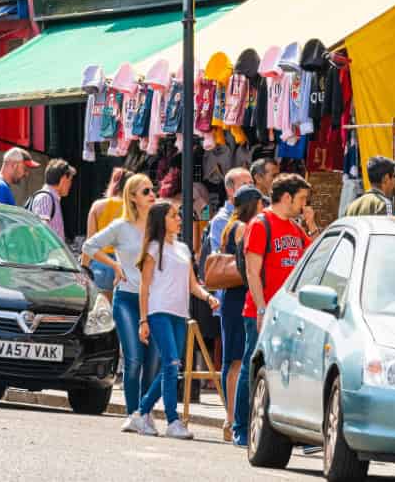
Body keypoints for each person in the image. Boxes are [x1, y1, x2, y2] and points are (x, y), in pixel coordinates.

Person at [134, 200, 219, 439]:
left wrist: (207, 297)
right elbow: (144, 286)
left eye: (178, 216)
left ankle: (142, 412)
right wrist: (143, 320)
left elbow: (192, 284)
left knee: (172, 366)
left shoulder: (183, 249)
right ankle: (172, 420)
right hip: (158, 311)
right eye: (174, 216)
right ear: (162, 220)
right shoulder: (152, 248)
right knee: (171, 363)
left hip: (180, 313)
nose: (179, 219)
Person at [237, 174, 312, 445]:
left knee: (283, 370)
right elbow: (252, 271)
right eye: (302, 199)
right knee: (253, 368)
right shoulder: (261, 224)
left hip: (288, 314)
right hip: (263, 311)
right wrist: (260, 309)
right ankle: (241, 428)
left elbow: (315, 255)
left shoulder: (294, 228)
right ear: (287, 197)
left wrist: (312, 225)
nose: (304, 205)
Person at [85, 172, 156, 424]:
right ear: (133, 197)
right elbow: (89, 246)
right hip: (127, 298)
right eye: (146, 191)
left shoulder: (158, 225)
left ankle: (145, 413)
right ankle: (132, 413)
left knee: (153, 361)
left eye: (152, 190)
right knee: (134, 358)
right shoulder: (121, 227)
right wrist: (115, 265)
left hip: (155, 301)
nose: (152, 195)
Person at [215, 185, 262, 445]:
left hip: (229, 297)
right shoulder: (243, 228)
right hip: (238, 296)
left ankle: (229, 417)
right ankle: (232, 418)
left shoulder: (229, 226)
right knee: (236, 361)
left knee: (230, 360)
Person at [86, 170, 129, 297]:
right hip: (126, 265)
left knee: (102, 311)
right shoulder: (135, 208)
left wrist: (84, 267)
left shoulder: (98, 206)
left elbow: (89, 242)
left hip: (101, 262)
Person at [206, 167, 253, 256]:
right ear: (230, 190)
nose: (250, 189)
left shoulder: (258, 212)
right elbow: (219, 257)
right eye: (244, 185)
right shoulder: (221, 220)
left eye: (251, 184)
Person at [26, 159, 75, 240]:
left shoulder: (52, 198)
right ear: (63, 179)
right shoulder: (45, 198)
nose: (70, 185)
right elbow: (39, 231)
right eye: (69, 180)